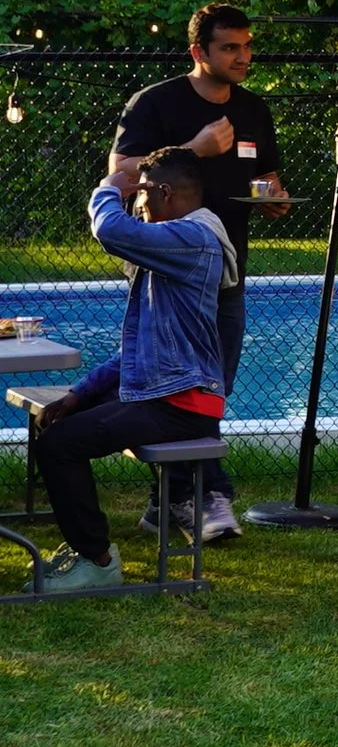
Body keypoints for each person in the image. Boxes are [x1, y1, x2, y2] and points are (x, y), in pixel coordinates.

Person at [107, 3, 287, 543]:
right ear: (198, 51)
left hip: (225, 271)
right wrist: (195, 149)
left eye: (247, 46)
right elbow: (119, 176)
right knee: (179, 391)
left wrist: (272, 197)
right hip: (166, 272)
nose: (242, 56)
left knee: (210, 390)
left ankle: (167, 504)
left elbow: (264, 175)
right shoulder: (156, 103)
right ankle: (206, 497)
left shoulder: (254, 110)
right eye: (230, 47)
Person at [27, 150, 236, 591]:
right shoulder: (176, 250)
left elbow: (110, 229)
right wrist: (79, 394)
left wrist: (108, 189)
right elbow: (137, 352)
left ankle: (98, 561)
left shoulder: (194, 239)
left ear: (164, 192)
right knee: (56, 426)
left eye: (141, 200)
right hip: (161, 392)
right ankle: (84, 548)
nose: (138, 211)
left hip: (181, 405)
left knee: (60, 446)